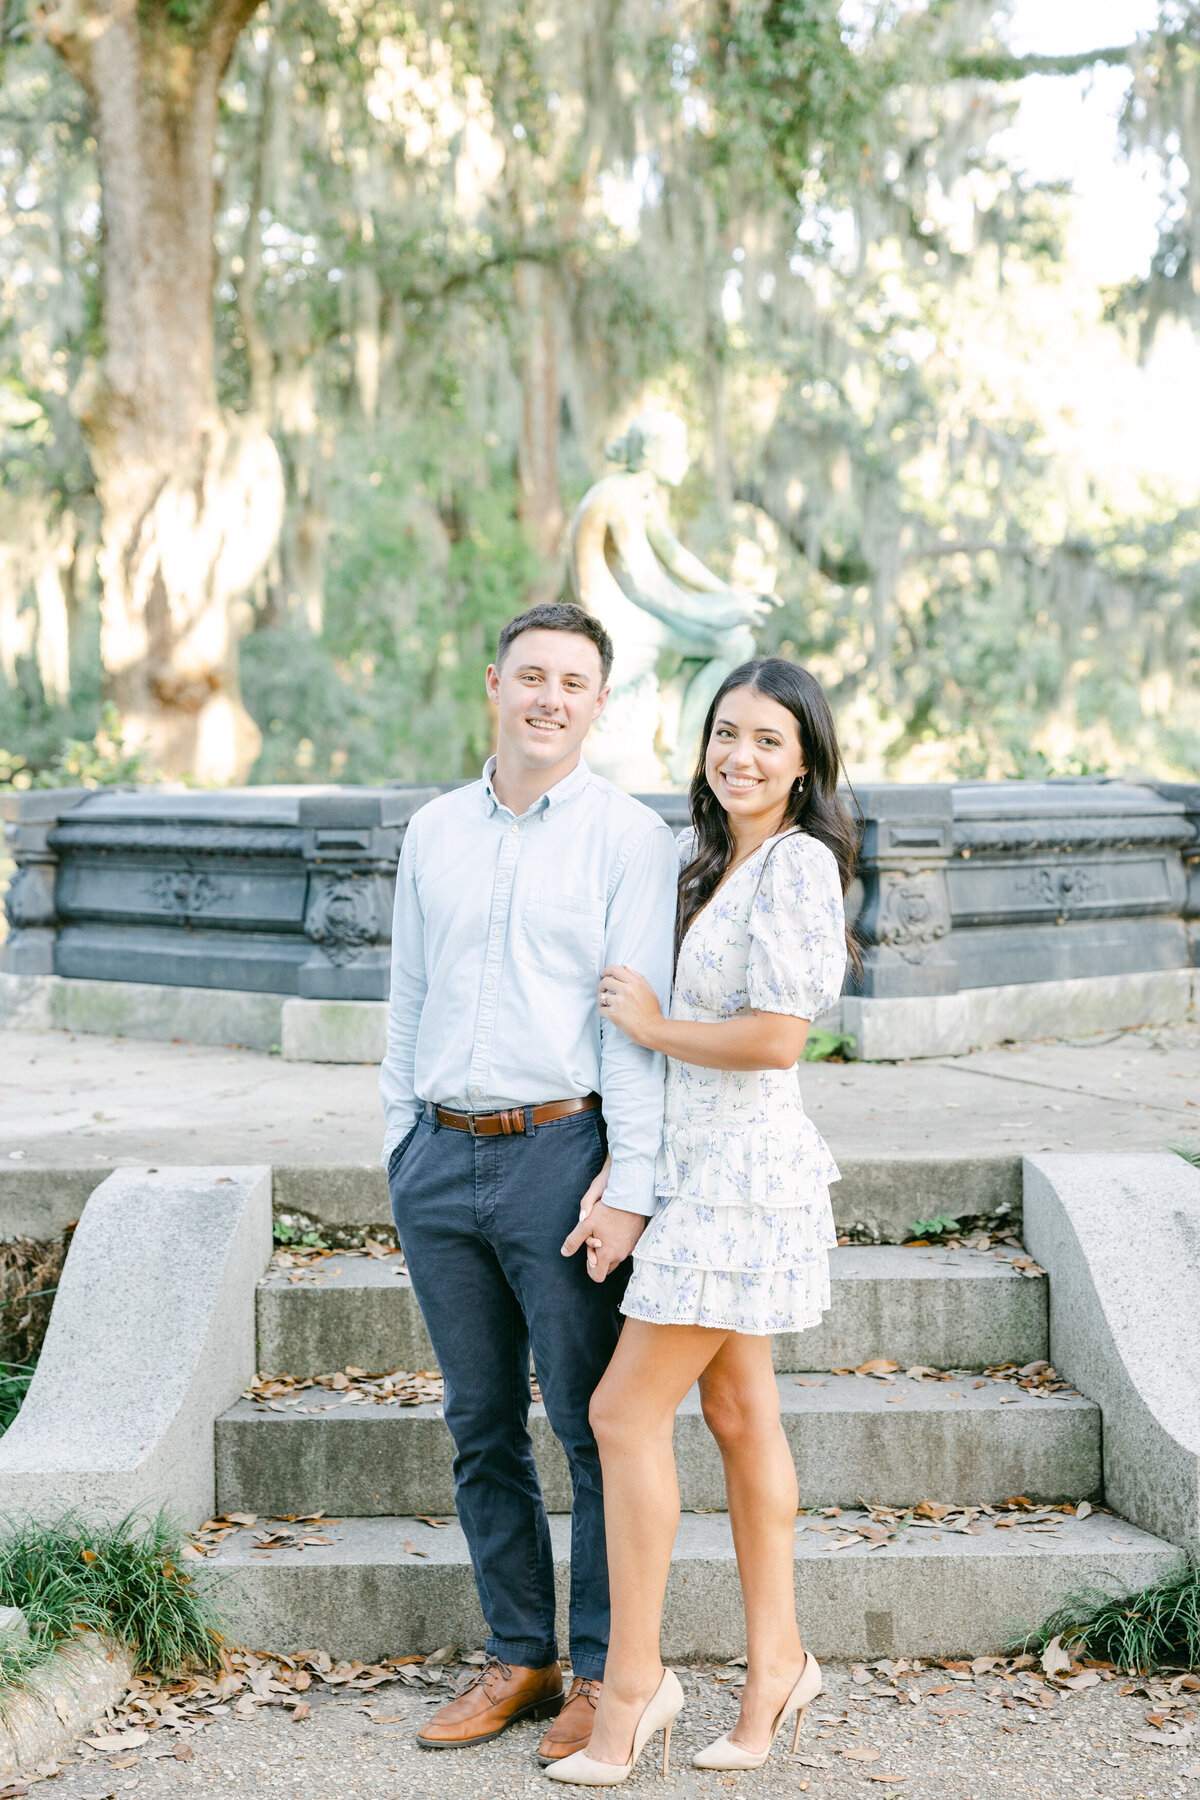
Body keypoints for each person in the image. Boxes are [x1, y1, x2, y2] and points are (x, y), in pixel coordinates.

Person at [548, 656, 858, 1786]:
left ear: (806, 762)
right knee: (736, 1412)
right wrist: (629, 1168)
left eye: (769, 741)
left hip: (741, 1182)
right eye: (727, 733)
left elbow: (778, 1037)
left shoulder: (799, 867)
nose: (741, 756)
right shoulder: (704, 859)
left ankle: (633, 1686)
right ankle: (776, 1663)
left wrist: (652, 1025)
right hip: (690, 1171)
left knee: (622, 1414)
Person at [380, 601, 678, 1763]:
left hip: (564, 1156)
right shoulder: (434, 830)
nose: (551, 697)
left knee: (594, 1424)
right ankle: (520, 1655)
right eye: (533, 676)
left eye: (576, 682)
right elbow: (407, 1000)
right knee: (478, 1424)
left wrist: (631, 1186)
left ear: (599, 705)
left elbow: (635, 1029)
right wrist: (399, 1145)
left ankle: (604, 1673)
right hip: (439, 1160)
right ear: (493, 682)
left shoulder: (627, 838)